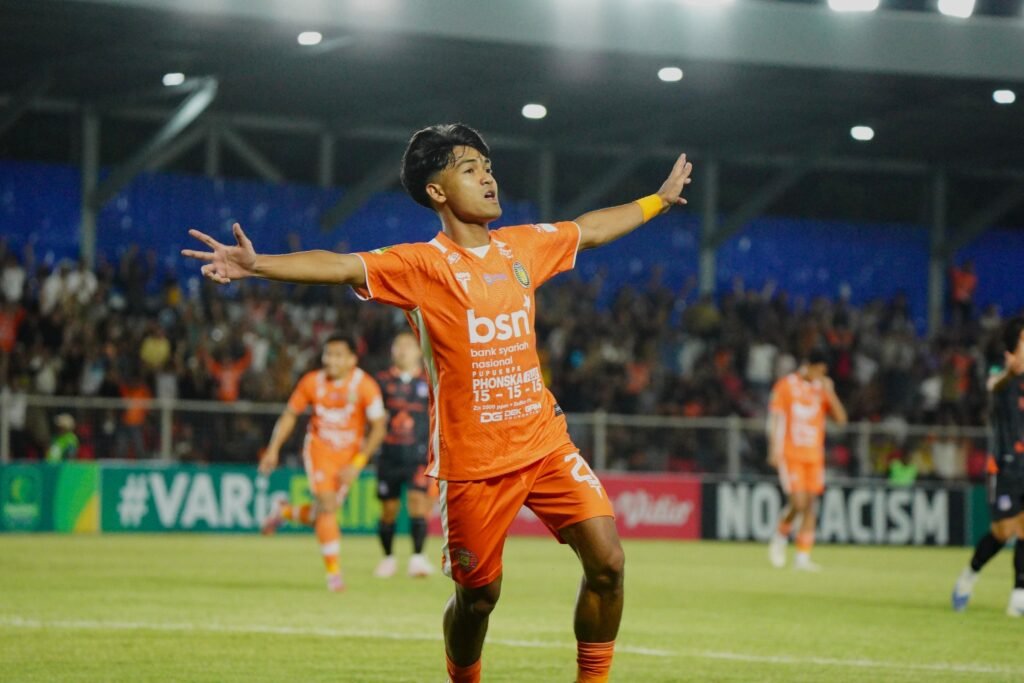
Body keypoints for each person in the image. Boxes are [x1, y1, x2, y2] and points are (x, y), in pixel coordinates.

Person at [184, 122, 693, 683]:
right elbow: (342, 264)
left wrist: (658, 200)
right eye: (470, 170)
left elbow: (590, 229)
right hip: (473, 465)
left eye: (488, 168)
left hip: (544, 444)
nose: (488, 178)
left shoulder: (523, 246)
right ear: (437, 191)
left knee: (609, 562)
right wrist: (258, 265)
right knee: (479, 597)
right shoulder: (420, 267)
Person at [259, 334, 387, 592]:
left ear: (352, 359)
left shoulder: (365, 386)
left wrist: (358, 463)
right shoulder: (311, 382)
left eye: (338, 355)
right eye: (328, 354)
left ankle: (284, 512)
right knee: (328, 506)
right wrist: (273, 449)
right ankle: (334, 574)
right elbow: (290, 415)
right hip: (319, 450)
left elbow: (379, 427)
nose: (331, 360)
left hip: (349, 456)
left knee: (324, 512)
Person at [952, 317, 1024, 616]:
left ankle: (1019, 595)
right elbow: (994, 387)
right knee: (1003, 531)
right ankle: (970, 574)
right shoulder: (1000, 370)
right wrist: (1011, 372)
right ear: (1014, 344)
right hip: (1004, 463)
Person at [767, 349, 848, 571]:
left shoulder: (821, 389)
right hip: (791, 453)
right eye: (819, 370)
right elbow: (776, 417)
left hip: (814, 456)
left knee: (810, 505)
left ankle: (802, 557)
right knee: (798, 503)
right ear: (809, 366)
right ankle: (780, 536)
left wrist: (830, 392)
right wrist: (773, 448)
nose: (820, 375)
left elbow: (841, 420)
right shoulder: (786, 385)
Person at [373, 331, 434, 579]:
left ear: (419, 350)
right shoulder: (381, 382)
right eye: (398, 345)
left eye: (408, 345)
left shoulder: (429, 380)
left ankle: (417, 559)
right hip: (389, 455)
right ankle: (388, 558)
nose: (402, 350)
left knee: (418, 505)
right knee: (389, 510)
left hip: (419, 455)